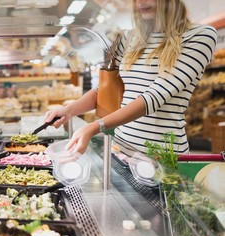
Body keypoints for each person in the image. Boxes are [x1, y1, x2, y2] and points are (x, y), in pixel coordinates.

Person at [45, 0, 217, 156]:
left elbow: (156, 96)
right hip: (121, 151)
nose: (140, 2)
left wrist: (95, 127)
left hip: (163, 156)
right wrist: (69, 110)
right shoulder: (128, 38)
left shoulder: (199, 36)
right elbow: (104, 90)